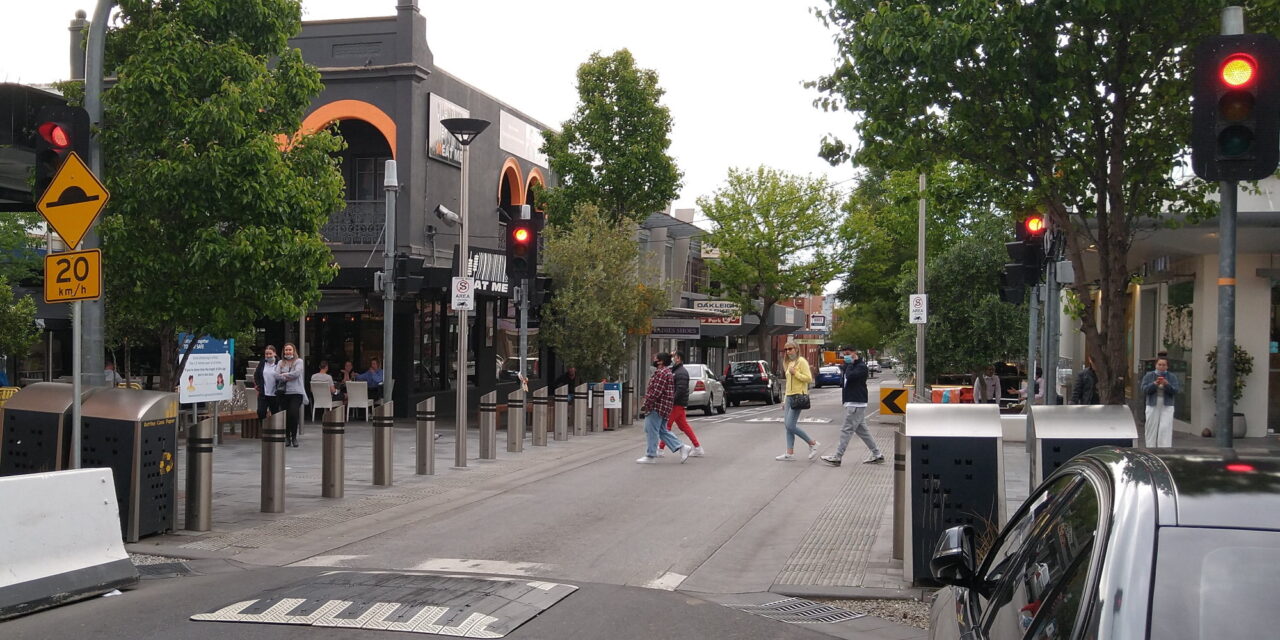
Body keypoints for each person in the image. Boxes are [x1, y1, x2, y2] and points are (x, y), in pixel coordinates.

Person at [822, 346, 882, 466]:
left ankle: (837, 457)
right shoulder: (850, 366)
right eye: (844, 354)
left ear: (855, 353)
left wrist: (849, 364)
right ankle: (877, 455)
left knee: (846, 430)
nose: (846, 356)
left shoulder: (861, 367)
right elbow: (841, 368)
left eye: (848, 354)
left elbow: (850, 376)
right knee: (863, 431)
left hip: (856, 402)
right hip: (852, 402)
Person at [636, 352, 691, 464]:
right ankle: (681, 447)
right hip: (664, 406)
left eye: (656, 358)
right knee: (662, 431)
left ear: (660, 361)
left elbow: (656, 392)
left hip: (657, 406)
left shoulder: (662, 373)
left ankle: (650, 455)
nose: (654, 359)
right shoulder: (666, 372)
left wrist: (646, 403)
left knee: (651, 430)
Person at [777, 341, 820, 461]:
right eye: (785, 349)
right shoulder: (789, 362)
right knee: (788, 426)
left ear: (796, 349)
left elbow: (808, 378)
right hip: (790, 396)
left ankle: (812, 443)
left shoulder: (802, 361)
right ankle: (789, 452)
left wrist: (795, 373)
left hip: (798, 396)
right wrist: (784, 399)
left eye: (790, 349)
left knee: (790, 425)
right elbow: (788, 383)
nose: (788, 351)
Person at [658, 352, 704, 457]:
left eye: (674, 357)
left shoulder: (680, 372)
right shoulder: (677, 370)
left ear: (678, 359)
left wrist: (671, 400)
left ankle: (660, 449)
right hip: (678, 403)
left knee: (666, 426)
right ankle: (697, 447)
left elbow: (680, 389)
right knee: (683, 426)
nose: (673, 359)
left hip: (676, 404)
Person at [1140, 357, 1179, 448]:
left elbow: (1175, 390)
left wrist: (1166, 384)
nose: (1161, 367)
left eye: (1164, 365)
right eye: (1159, 364)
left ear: (1167, 366)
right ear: (1156, 365)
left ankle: (1164, 449)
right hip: (1152, 404)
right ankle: (1150, 448)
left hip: (1167, 404)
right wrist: (1154, 384)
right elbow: (1144, 389)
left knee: (1165, 427)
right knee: (1151, 426)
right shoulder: (1149, 376)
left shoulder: (1172, 377)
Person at [275, 343, 306, 447]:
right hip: (283, 393)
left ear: (294, 351)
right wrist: (287, 376)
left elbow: (297, 373)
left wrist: (283, 375)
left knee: (293, 414)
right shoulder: (280, 362)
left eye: (290, 350)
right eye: (286, 350)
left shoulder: (299, 361)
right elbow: (276, 375)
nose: (288, 352)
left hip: (296, 393)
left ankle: (294, 437)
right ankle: (287, 437)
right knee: (286, 415)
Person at [254, 345, 280, 419]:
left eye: (270, 354)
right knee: (260, 412)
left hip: (275, 394)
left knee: (275, 413)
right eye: (266, 354)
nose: (268, 356)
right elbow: (256, 375)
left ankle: (274, 429)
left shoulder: (279, 363)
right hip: (263, 393)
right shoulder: (262, 363)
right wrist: (258, 385)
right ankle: (263, 427)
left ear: (274, 353)